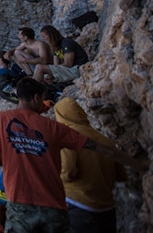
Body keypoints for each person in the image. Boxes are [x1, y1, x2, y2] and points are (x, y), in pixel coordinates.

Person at [0, 78, 143, 232]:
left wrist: (9, 162)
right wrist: (141, 166)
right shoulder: (54, 127)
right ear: (37, 97)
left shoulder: (0, 119)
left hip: (20, 203)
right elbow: (106, 150)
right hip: (53, 206)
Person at [54, 98, 128, 233]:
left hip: (79, 205)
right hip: (107, 207)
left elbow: (66, 173)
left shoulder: (68, 137)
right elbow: (121, 175)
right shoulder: (104, 140)